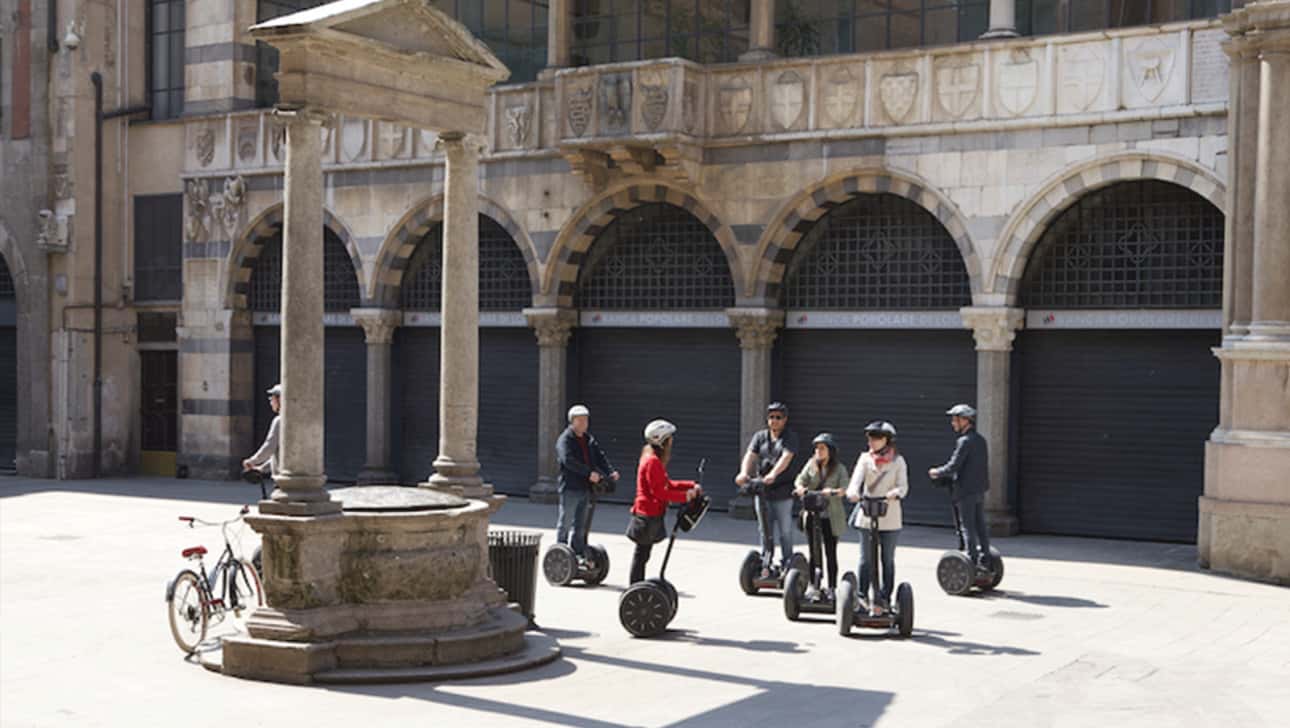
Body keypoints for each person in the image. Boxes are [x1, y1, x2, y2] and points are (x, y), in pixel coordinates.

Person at [627, 419, 702, 584]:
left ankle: (636, 587)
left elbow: (666, 484)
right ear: (661, 441)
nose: (671, 442)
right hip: (647, 515)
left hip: (649, 513)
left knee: (642, 555)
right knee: (641, 555)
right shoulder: (652, 461)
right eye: (669, 438)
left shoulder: (652, 458)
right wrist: (685, 496)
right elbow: (660, 492)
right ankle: (634, 588)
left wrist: (689, 485)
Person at [846, 421, 909, 611]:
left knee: (887, 560)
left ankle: (884, 598)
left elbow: (904, 486)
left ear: (887, 440)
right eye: (870, 437)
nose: (872, 441)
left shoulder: (898, 461)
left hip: (889, 516)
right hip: (867, 514)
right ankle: (862, 597)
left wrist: (895, 493)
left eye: (877, 437)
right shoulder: (865, 459)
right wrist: (852, 493)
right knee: (865, 559)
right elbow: (855, 482)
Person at [735, 402, 799, 579]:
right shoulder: (760, 437)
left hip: (782, 491)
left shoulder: (790, 437)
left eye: (778, 417)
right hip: (762, 491)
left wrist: (773, 474)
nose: (774, 421)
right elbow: (750, 455)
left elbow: (786, 457)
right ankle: (766, 561)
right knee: (764, 529)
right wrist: (743, 473)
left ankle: (787, 562)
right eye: (771, 417)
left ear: (785, 420)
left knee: (785, 530)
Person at [929, 404, 992, 568]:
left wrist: (937, 471)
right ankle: (986, 557)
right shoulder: (981, 440)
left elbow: (954, 465)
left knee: (967, 527)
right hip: (979, 489)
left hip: (965, 490)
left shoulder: (964, 441)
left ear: (965, 420)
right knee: (980, 525)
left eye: (955, 419)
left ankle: (971, 559)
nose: (952, 423)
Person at [555, 404, 619, 566]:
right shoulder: (565, 440)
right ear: (572, 421)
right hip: (570, 488)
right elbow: (568, 460)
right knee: (566, 523)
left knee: (581, 525)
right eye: (580, 420)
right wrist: (588, 473)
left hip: (585, 488)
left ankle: (577, 554)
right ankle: (560, 553)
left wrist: (609, 472)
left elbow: (599, 456)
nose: (584, 423)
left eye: (586, 420)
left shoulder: (588, 439)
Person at [792, 433, 849, 595]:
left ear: (830, 450)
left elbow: (845, 488)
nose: (818, 451)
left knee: (830, 552)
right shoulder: (811, 465)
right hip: (812, 514)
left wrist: (833, 491)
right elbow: (799, 479)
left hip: (830, 517)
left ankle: (832, 586)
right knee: (813, 551)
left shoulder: (839, 469)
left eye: (822, 448)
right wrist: (801, 488)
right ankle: (813, 584)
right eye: (817, 448)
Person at [242, 384, 282, 476]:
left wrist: (252, 461)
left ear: (279, 400)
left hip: (282, 478)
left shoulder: (279, 421)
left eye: (272, 398)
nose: (271, 402)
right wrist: (262, 468)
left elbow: (269, 446)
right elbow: (279, 454)